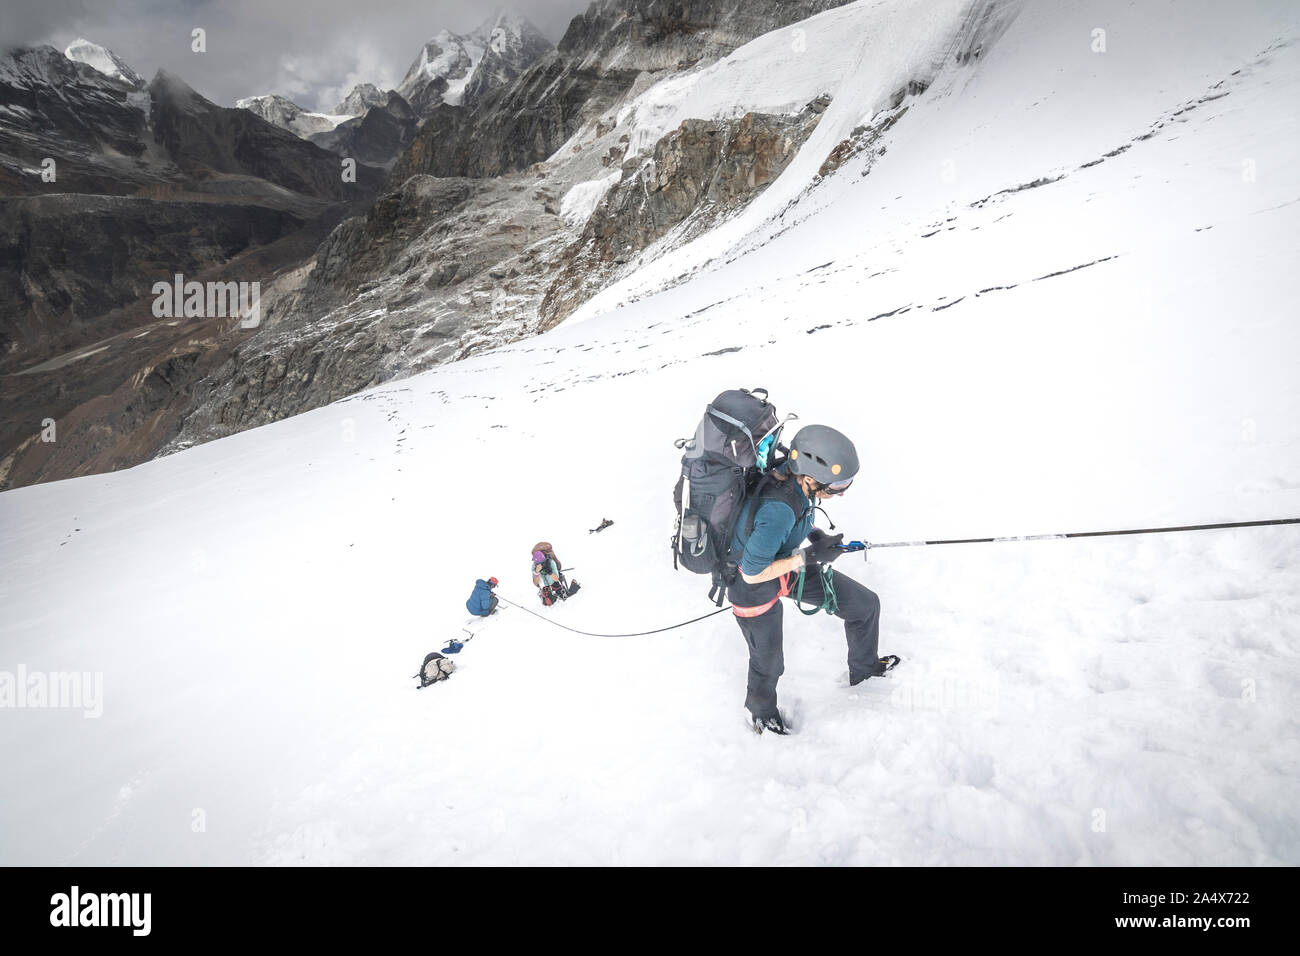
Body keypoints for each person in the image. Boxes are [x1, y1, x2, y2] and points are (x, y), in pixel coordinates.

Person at [727, 424, 897, 735]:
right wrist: (811, 556)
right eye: (836, 485)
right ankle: (762, 713)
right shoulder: (778, 508)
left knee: (864, 605)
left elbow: (798, 518)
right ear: (809, 477)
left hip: (783, 562)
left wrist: (818, 538)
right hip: (750, 584)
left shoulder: (794, 482)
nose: (841, 491)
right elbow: (752, 572)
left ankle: (865, 670)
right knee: (769, 660)